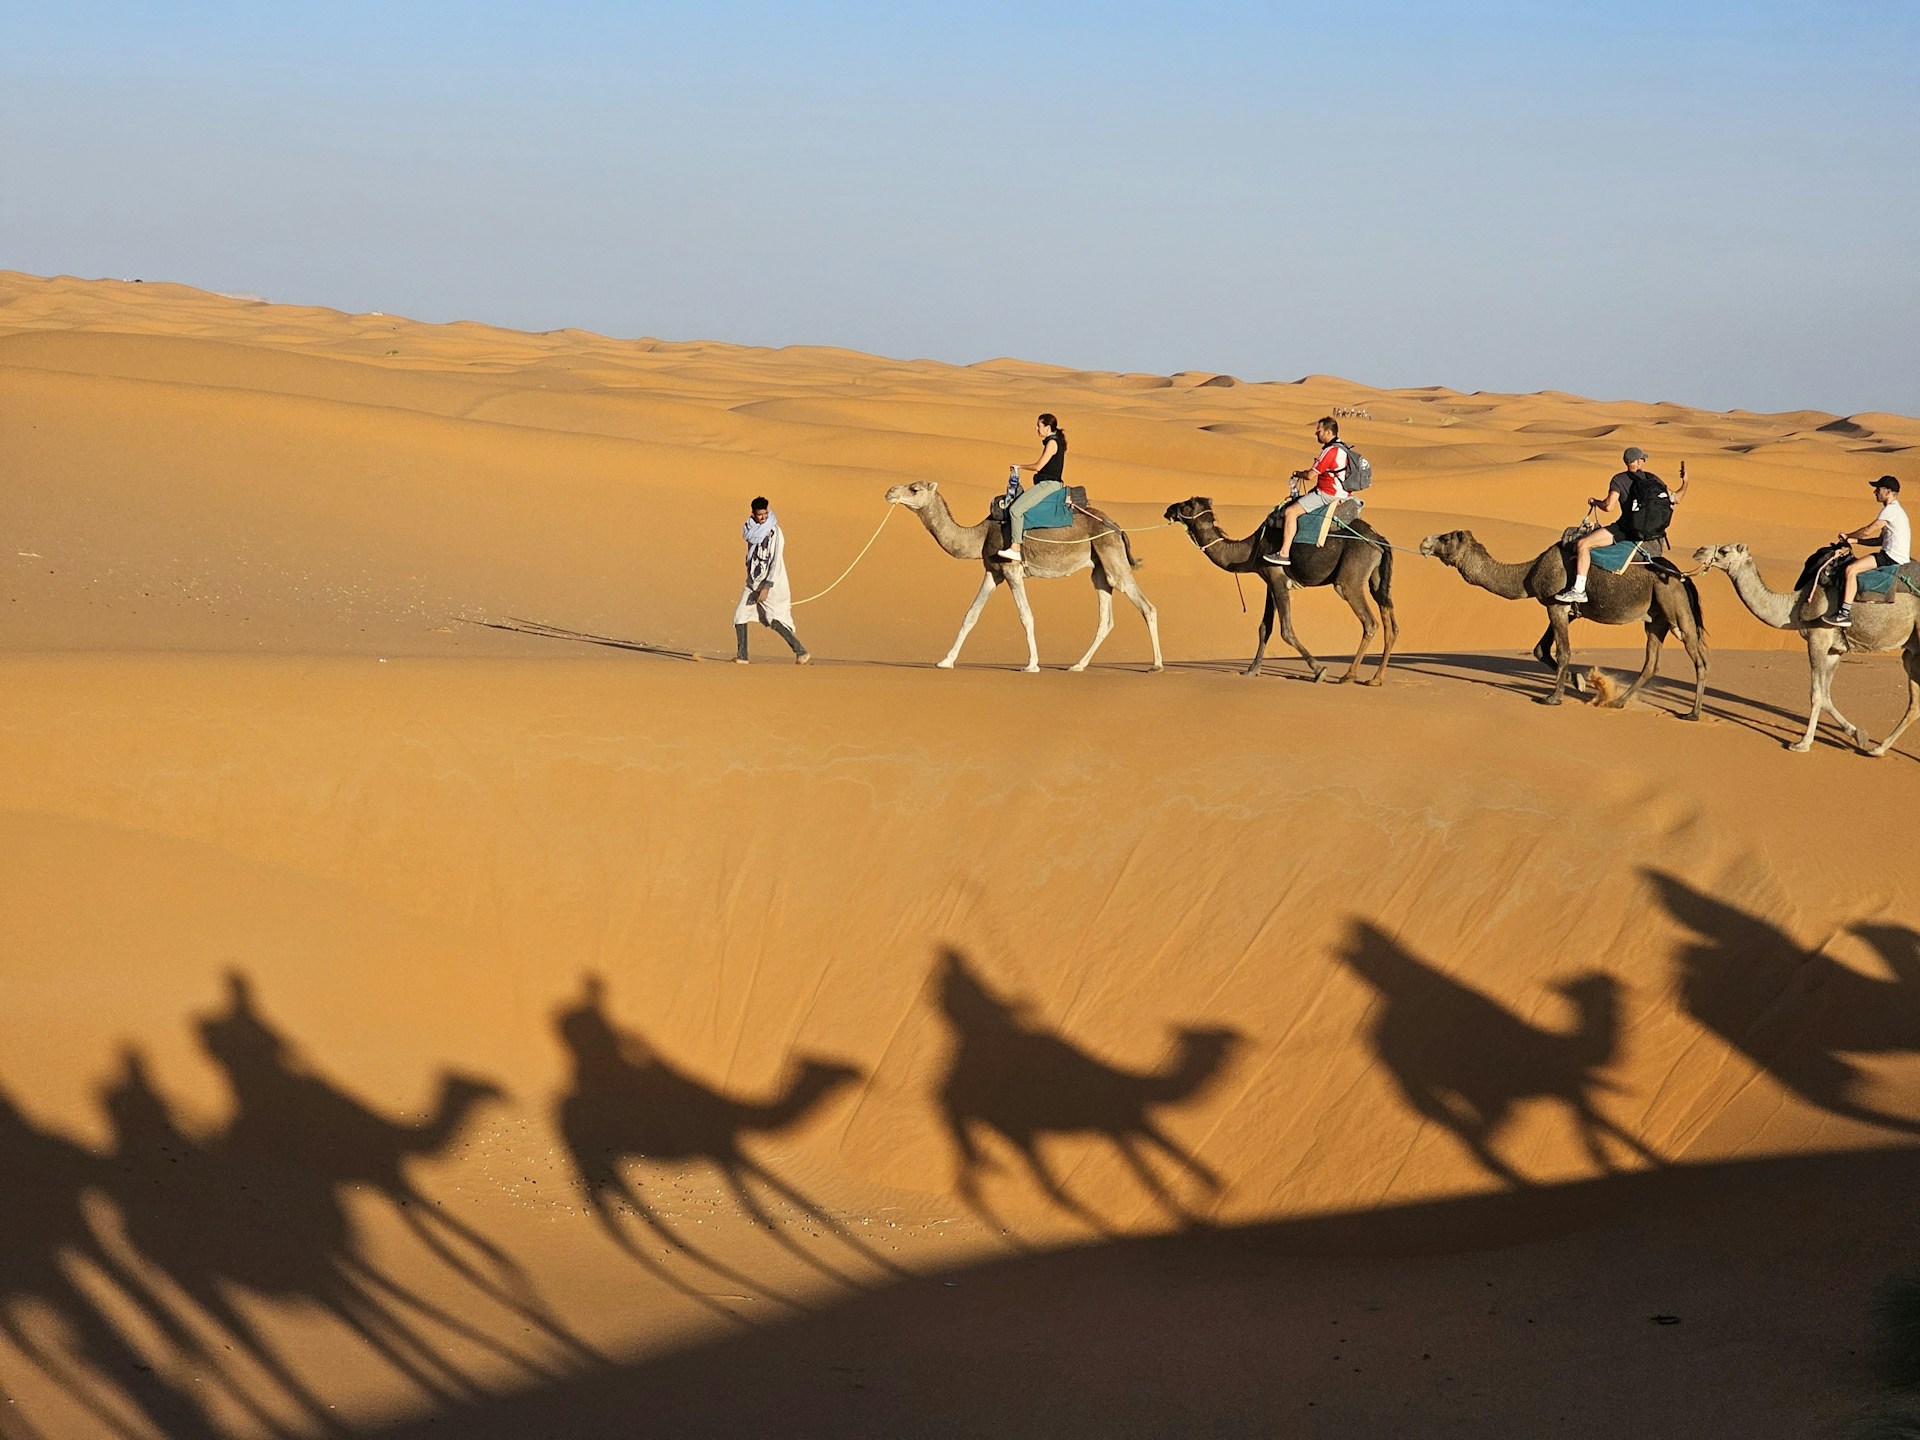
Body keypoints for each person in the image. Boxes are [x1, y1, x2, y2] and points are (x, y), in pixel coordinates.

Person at [1552, 446, 1686, 604]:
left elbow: (1609, 506)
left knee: (1583, 544)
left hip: (1625, 529)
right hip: (1653, 532)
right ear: (1637, 461)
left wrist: (1595, 502)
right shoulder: (1653, 479)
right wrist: (1686, 482)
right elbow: (1676, 498)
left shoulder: (1619, 479)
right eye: (1642, 458)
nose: (1643, 461)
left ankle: (1579, 590)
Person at [1261, 417, 1350, 566]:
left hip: (1328, 493)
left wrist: (1298, 474)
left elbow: (1310, 476)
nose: (1316, 433)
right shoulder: (1343, 448)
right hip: (1342, 492)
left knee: (1290, 512)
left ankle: (1284, 553)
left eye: (1319, 430)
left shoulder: (1330, 451)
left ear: (1328, 432)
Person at [733, 496, 811, 664]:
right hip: (753, 581)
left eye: (765, 514)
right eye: (760, 514)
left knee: (773, 618)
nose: (763, 517)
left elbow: (775, 560)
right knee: (740, 615)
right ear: (753, 514)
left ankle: (801, 651)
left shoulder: (775, 532)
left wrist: (767, 586)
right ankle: (742, 656)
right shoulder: (750, 529)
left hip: (771, 583)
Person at [1830, 475, 1910, 628]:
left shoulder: (1891, 510)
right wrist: (1855, 541)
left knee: (1851, 569)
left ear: (1888, 491)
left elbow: (1868, 530)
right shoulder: (1895, 511)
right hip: (1892, 555)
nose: (1875, 492)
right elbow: (1879, 540)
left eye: (1878, 489)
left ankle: (1844, 614)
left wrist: (1848, 535)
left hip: (1891, 557)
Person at [994, 413, 1067, 562]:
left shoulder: (1052, 443)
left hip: (1049, 485)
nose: (1036, 429)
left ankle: (1015, 548)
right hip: (1047, 483)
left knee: (1015, 510)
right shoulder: (1053, 441)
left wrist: (1019, 467)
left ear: (1047, 427)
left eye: (1039, 426)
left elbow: (1038, 466)